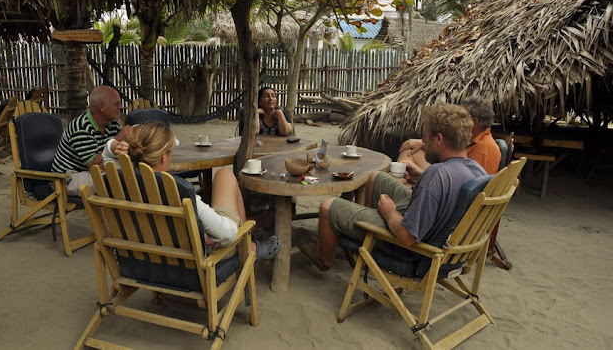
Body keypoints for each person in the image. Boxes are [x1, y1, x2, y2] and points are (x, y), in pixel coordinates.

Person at [294, 104, 486, 272]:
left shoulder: (436, 175)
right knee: (377, 177)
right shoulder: (476, 169)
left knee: (328, 207)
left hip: (411, 249)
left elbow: (407, 236)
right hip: (431, 225)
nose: (423, 142)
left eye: (426, 136)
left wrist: (389, 213)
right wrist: (421, 177)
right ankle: (359, 227)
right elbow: (446, 195)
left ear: (440, 139)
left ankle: (324, 258)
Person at [114, 121, 280, 261]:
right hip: (197, 257)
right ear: (164, 156)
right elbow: (227, 234)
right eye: (171, 152)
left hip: (149, 255)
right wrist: (207, 235)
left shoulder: (117, 185)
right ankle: (247, 247)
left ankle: (251, 237)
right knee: (226, 176)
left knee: (223, 176)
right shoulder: (179, 191)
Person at [398, 97, 501, 184]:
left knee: (396, 177)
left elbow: (462, 186)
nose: (458, 119)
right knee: (409, 149)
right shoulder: (475, 140)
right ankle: (398, 181)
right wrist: (422, 143)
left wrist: (422, 175)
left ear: (474, 122)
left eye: (463, 117)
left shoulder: (484, 150)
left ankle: (395, 183)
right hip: (447, 175)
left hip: (446, 181)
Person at [51, 86, 131, 196]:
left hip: (92, 172)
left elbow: (116, 155)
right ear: (102, 107)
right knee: (115, 184)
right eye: (116, 104)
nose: (121, 107)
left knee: (129, 177)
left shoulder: (112, 124)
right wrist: (117, 139)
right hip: (68, 178)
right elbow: (95, 166)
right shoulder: (81, 128)